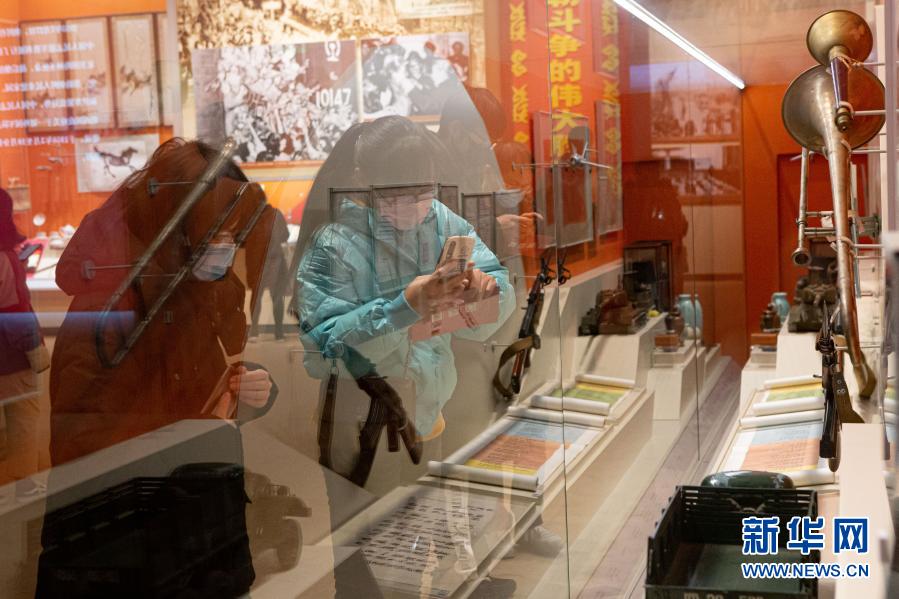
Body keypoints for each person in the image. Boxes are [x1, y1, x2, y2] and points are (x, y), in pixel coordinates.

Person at [295, 116, 516, 483]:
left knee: (423, 516)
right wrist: (403, 309)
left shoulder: (442, 221)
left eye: (423, 193)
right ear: (364, 180)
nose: (413, 207)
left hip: (428, 413)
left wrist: (484, 291)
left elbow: (498, 285)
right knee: (369, 519)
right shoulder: (334, 243)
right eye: (396, 196)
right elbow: (321, 350)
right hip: (361, 422)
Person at [0, 187, 48, 500]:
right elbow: (16, 310)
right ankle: (23, 484)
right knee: (23, 419)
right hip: (11, 353)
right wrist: (35, 350)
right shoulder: (6, 258)